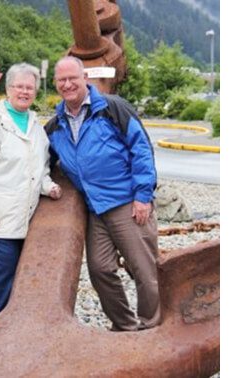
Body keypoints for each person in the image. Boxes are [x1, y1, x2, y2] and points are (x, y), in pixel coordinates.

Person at [45, 56, 160, 331]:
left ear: (85, 78)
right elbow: (41, 164)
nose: (68, 84)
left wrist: (143, 196)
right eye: (62, 80)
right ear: (56, 85)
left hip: (127, 203)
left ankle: (152, 327)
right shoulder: (55, 126)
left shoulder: (112, 108)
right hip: (95, 209)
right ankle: (124, 326)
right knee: (100, 269)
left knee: (145, 270)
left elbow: (141, 149)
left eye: (73, 78)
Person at [0, 62, 62, 325]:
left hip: (23, 222)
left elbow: (39, 168)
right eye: (19, 86)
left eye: (29, 87)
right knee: (0, 281)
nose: (24, 91)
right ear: (7, 89)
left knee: (18, 282)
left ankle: (10, 337)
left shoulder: (35, 124)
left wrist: (48, 186)